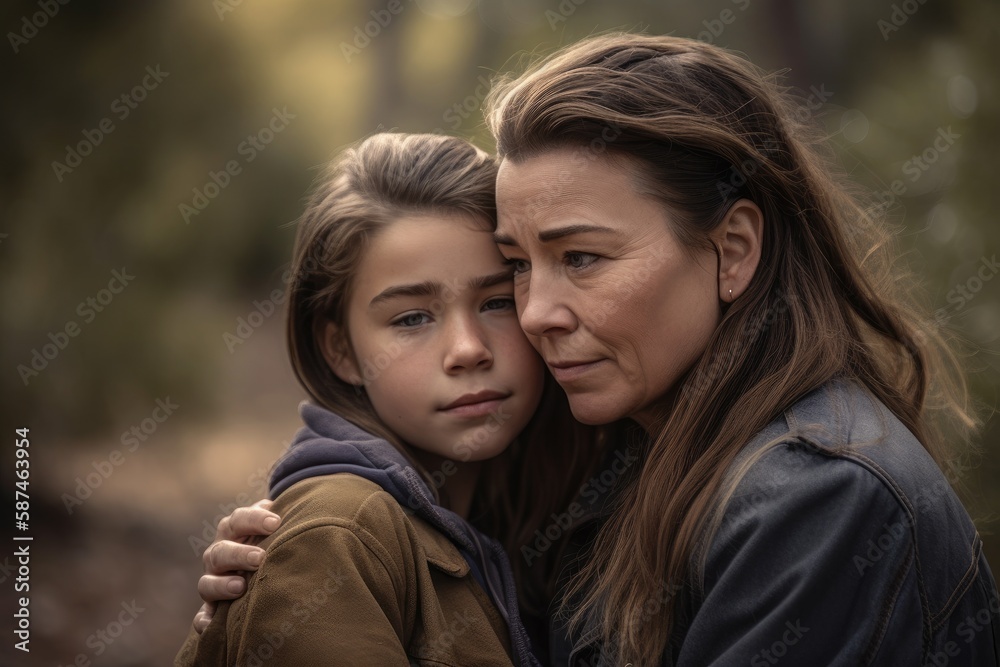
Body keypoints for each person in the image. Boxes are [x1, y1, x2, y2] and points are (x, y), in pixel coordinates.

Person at [190, 34, 1000, 665]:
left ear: (734, 248)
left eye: (581, 257)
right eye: (520, 265)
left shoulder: (818, 498)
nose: (536, 313)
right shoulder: (625, 465)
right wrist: (266, 603)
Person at [175, 132, 603, 666]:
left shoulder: (557, 496)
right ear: (341, 350)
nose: (468, 350)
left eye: (496, 302)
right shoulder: (335, 538)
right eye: (412, 318)